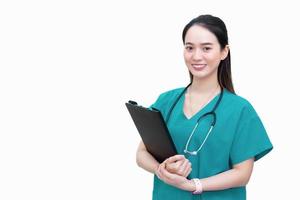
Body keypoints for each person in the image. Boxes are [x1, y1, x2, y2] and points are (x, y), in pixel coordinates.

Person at [136, 14, 273, 200]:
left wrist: (193, 185)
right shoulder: (166, 101)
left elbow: (242, 174)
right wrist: (162, 170)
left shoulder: (240, 110)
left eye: (206, 48)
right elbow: (141, 153)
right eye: (189, 48)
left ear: (224, 52)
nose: (196, 56)